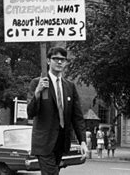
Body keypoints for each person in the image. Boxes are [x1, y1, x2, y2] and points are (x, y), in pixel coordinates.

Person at [27, 46, 88, 174]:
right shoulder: (37, 83)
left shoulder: (69, 86)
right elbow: (30, 113)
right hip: (44, 143)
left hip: (61, 142)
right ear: (48, 61)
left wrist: (82, 141)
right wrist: (37, 93)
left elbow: (77, 117)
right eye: (55, 59)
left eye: (63, 59)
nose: (59, 62)